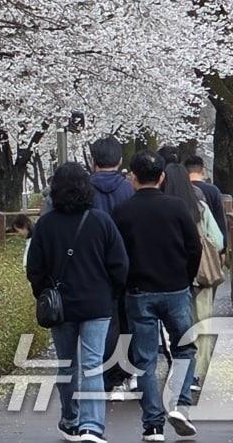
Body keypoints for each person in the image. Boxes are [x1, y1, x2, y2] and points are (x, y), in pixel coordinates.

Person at [28, 162, 129, 443]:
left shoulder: (46, 225)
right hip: (97, 303)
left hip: (61, 307)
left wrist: (44, 293)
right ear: (86, 188)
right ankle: (92, 426)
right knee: (93, 365)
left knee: (66, 364)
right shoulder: (101, 221)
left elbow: (34, 268)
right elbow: (120, 264)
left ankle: (70, 420)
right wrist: (111, 293)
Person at [112, 152, 203, 441]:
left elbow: (116, 256)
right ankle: (180, 405)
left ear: (133, 178)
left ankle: (153, 425)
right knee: (184, 348)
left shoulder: (122, 212)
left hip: (139, 292)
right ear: (162, 177)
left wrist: (124, 283)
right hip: (176, 288)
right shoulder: (177, 207)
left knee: (145, 359)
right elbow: (194, 247)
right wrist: (185, 277)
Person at [167, 161, 225, 400]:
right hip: (200, 275)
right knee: (202, 323)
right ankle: (197, 374)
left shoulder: (163, 209)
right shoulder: (199, 207)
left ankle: (178, 370)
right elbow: (218, 240)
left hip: (171, 277)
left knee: (175, 325)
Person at [89, 136, 134, 394]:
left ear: (93, 160)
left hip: (94, 266)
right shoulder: (128, 189)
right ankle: (124, 371)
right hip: (126, 262)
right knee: (126, 319)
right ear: (120, 160)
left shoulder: (85, 190)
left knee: (102, 321)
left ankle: (103, 374)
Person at [184, 154, 227, 239]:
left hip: (187, 238)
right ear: (203, 171)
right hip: (209, 238)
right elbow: (220, 219)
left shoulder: (181, 188)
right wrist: (223, 241)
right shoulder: (213, 190)